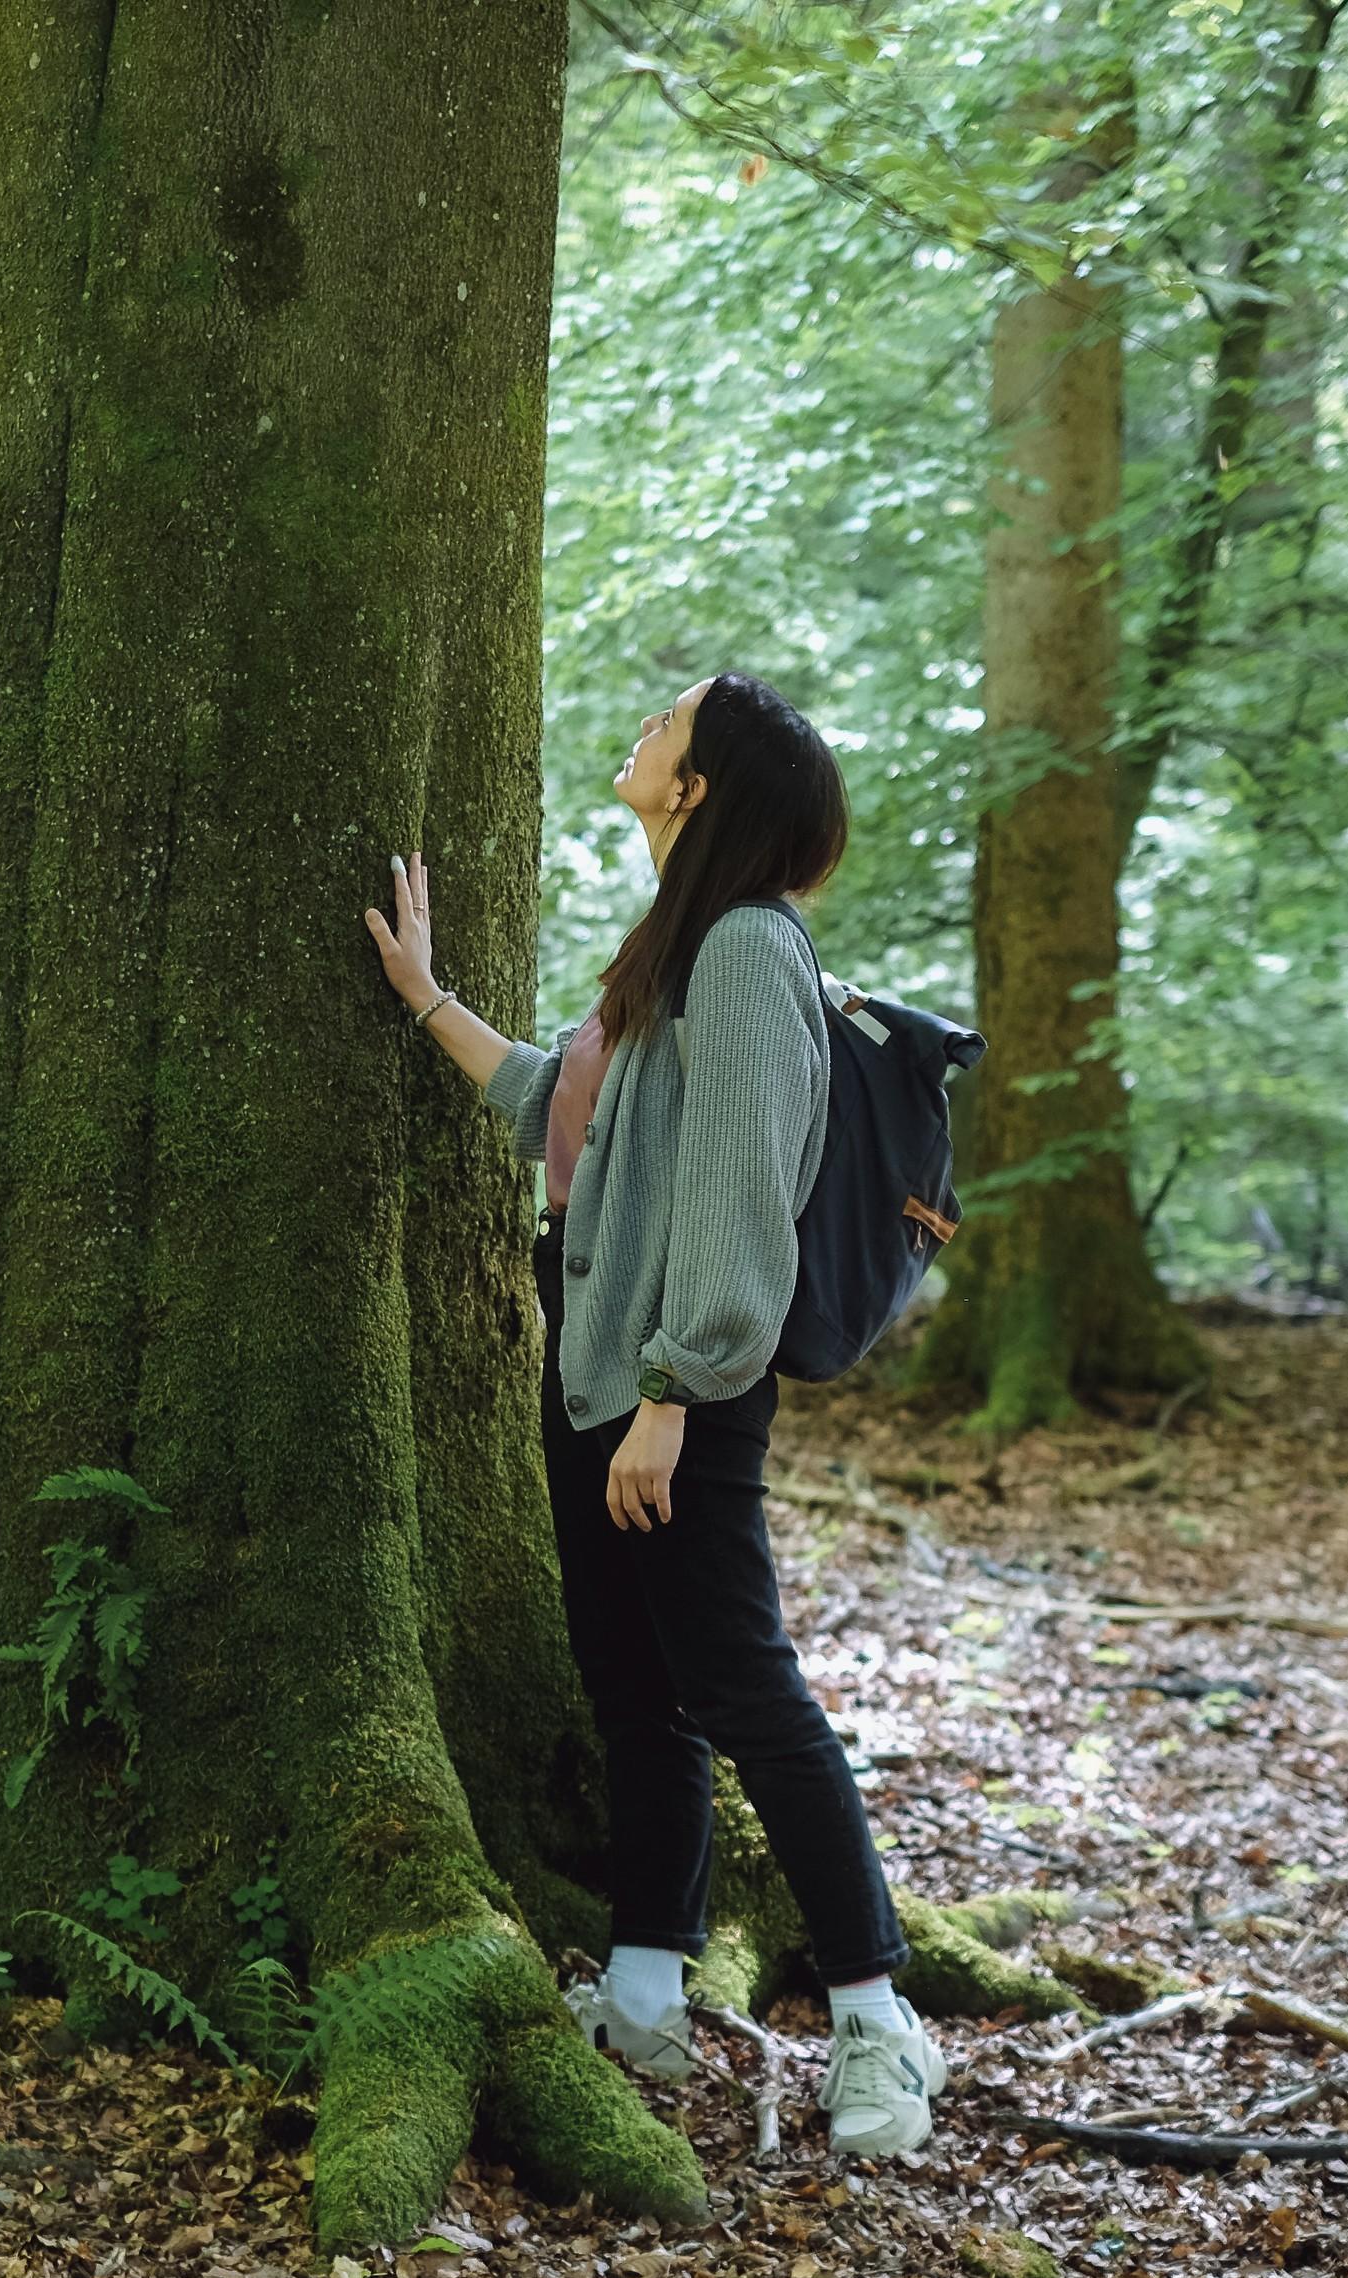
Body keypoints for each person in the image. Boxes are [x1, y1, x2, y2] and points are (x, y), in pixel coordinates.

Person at [361, 672, 944, 2160]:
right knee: (636, 1691)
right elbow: (566, 1109)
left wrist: (677, 1396)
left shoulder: (749, 950)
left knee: (746, 1691)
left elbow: (746, 1193)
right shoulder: (677, 947)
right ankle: (639, 1993)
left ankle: (880, 2024)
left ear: (702, 784)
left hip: (678, 1387)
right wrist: (427, 999)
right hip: (602, 1369)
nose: (642, 730)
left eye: (666, 723)